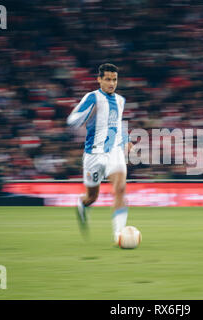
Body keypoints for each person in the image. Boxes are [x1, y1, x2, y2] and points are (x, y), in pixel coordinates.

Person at [67, 63, 132, 243]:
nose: (112, 83)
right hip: (93, 154)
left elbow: (117, 124)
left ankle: (119, 234)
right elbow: (72, 120)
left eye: (115, 80)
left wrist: (126, 140)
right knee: (92, 197)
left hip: (114, 151)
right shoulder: (92, 97)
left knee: (119, 189)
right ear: (99, 80)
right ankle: (83, 203)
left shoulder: (120, 100)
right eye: (108, 79)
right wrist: (88, 113)